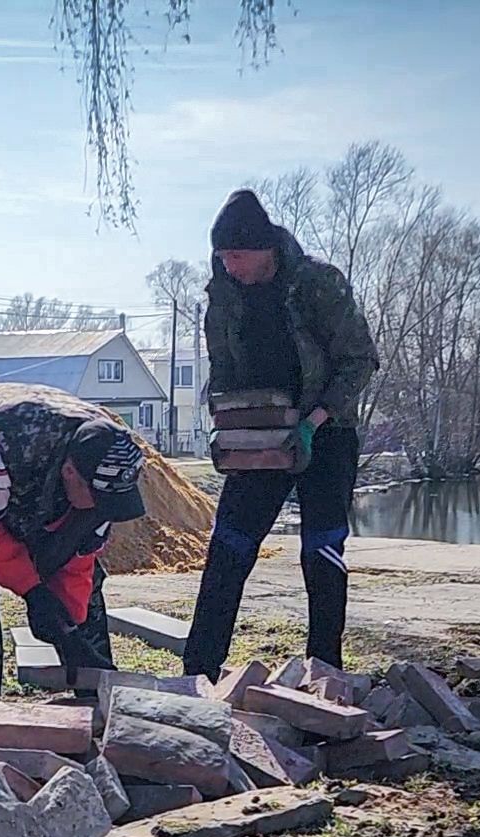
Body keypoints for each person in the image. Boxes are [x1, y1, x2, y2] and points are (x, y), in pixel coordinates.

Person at [184, 189, 380, 678]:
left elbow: (360, 360)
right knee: (229, 546)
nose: (229, 265)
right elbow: (223, 367)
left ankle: (325, 671)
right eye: (222, 256)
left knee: (322, 549)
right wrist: (223, 424)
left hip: (326, 431)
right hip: (258, 433)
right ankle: (199, 670)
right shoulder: (224, 297)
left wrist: (314, 422)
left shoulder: (318, 284)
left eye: (237, 256)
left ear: (264, 249)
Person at [0, 383, 146, 727]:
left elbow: (79, 559)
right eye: (97, 500)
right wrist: (33, 592)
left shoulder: (109, 458)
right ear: (70, 474)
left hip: (38, 461)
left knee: (84, 593)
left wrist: (69, 629)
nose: (101, 510)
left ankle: (97, 704)